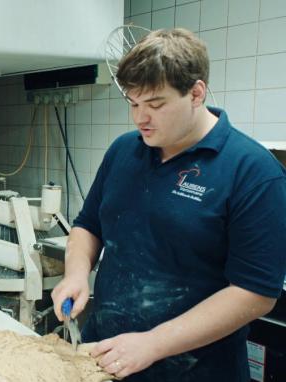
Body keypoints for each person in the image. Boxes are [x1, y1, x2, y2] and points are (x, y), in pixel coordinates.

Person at [51, 28, 286, 381]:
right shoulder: (123, 151)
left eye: (156, 105)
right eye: (133, 103)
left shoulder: (252, 171)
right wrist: (76, 273)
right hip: (104, 357)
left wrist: (153, 343)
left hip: (195, 371)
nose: (140, 118)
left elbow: (255, 293)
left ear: (196, 92)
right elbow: (88, 226)